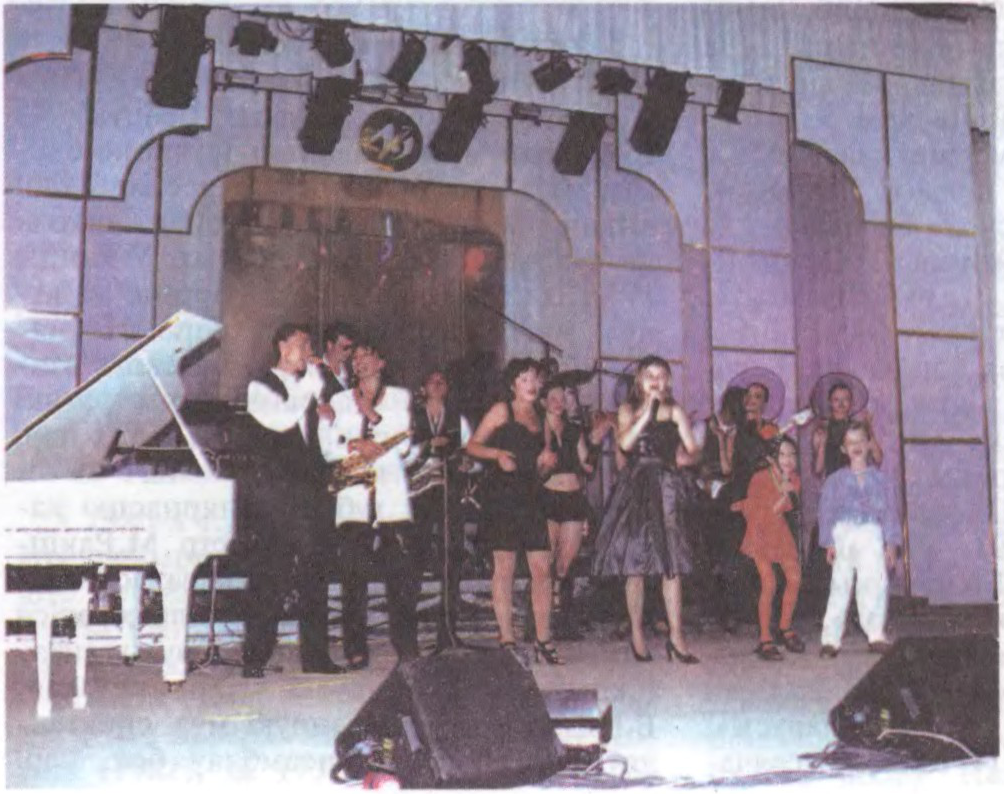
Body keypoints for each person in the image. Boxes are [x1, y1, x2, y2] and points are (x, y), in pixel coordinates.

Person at [240, 323, 344, 678]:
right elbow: (282, 420)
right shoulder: (259, 386)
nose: (309, 351)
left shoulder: (309, 392)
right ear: (283, 347)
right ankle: (255, 657)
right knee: (271, 572)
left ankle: (316, 658)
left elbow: (320, 445)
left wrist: (332, 426)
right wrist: (312, 383)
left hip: (311, 491)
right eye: (303, 344)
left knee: (316, 573)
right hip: (275, 494)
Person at [592, 355, 700, 664]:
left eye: (660, 375)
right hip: (637, 486)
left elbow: (693, 450)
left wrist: (686, 458)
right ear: (640, 380)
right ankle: (637, 633)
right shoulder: (627, 409)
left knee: (671, 563)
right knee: (634, 564)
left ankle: (676, 636)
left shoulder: (675, 410)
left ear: (668, 380)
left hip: (666, 487)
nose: (655, 380)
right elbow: (625, 444)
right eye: (649, 375)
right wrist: (647, 413)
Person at [319, 336, 419, 668]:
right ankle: (355, 648)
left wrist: (371, 414)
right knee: (353, 577)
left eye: (366, 356)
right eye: (355, 357)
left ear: (381, 362)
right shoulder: (339, 399)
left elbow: (402, 445)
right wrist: (353, 445)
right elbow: (328, 448)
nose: (359, 362)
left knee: (401, 577)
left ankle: (406, 646)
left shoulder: (400, 397)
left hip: (390, 499)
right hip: (353, 497)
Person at [466, 358, 562, 664]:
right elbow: (472, 446)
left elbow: (542, 468)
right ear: (512, 385)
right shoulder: (501, 410)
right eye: (524, 379)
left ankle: (543, 639)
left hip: (532, 496)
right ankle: (507, 638)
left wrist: (547, 464)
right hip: (502, 497)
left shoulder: (543, 417)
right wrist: (496, 455)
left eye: (534, 379)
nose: (531, 384)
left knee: (542, 569)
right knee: (504, 568)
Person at [818, 421, 901, 658]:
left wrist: (891, 543)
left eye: (861, 440)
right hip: (843, 534)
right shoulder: (834, 481)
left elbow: (890, 513)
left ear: (869, 444)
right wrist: (828, 542)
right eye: (850, 442)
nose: (856, 446)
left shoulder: (882, 481)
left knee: (874, 582)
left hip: (871, 534)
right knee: (839, 585)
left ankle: (875, 634)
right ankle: (830, 639)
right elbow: (826, 512)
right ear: (843, 449)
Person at [540, 379, 615, 640]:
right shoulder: (536, 429)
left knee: (565, 565)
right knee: (545, 563)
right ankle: (541, 622)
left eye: (562, 398)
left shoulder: (573, 430)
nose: (558, 402)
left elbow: (588, 467)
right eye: (553, 398)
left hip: (572, 498)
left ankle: (562, 617)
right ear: (543, 401)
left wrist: (597, 438)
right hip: (548, 498)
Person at [408, 367, 474, 647]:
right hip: (418, 494)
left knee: (451, 558)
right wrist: (427, 445)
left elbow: (472, 451)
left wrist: (468, 462)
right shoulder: (410, 417)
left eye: (442, 381)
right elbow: (401, 454)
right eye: (432, 381)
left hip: (449, 493)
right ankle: (408, 634)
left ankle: (448, 630)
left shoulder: (459, 420)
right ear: (423, 389)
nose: (437, 384)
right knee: (414, 559)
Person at [732, 436, 804, 660]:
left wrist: (788, 489)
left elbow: (787, 507)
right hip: (760, 532)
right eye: (782, 455)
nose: (788, 459)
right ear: (772, 458)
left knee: (794, 577)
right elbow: (767, 510)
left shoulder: (794, 480)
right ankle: (765, 638)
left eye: (792, 454)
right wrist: (784, 491)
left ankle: (785, 627)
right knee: (769, 583)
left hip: (779, 532)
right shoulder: (760, 477)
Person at [697, 386, 747, 632]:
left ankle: (729, 612)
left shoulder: (741, 432)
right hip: (706, 499)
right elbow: (692, 460)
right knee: (707, 556)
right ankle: (709, 611)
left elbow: (733, 468)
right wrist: (702, 477)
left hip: (731, 498)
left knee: (731, 555)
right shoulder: (702, 427)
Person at [811, 379, 883, 478]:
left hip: (857, 481)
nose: (841, 403)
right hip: (833, 483)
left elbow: (878, 458)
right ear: (830, 402)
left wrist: (868, 428)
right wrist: (823, 442)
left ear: (851, 402)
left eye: (846, 399)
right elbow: (818, 469)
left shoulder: (858, 428)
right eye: (836, 399)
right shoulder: (822, 430)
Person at [317, 321, 357, 402]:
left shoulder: (353, 368)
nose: (349, 352)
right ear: (330, 345)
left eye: (351, 347)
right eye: (345, 348)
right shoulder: (317, 372)